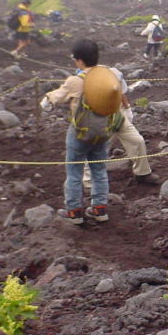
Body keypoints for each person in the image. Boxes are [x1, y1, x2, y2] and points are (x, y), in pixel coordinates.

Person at [41, 39, 116, 224]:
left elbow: (57, 98)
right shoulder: (108, 76)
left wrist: (46, 99)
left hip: (80, 132)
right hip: (102, 130)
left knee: (74, 171)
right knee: (99, 170)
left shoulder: (76, 80)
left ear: (80, 60)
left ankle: (74, 211)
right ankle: (99, 209)